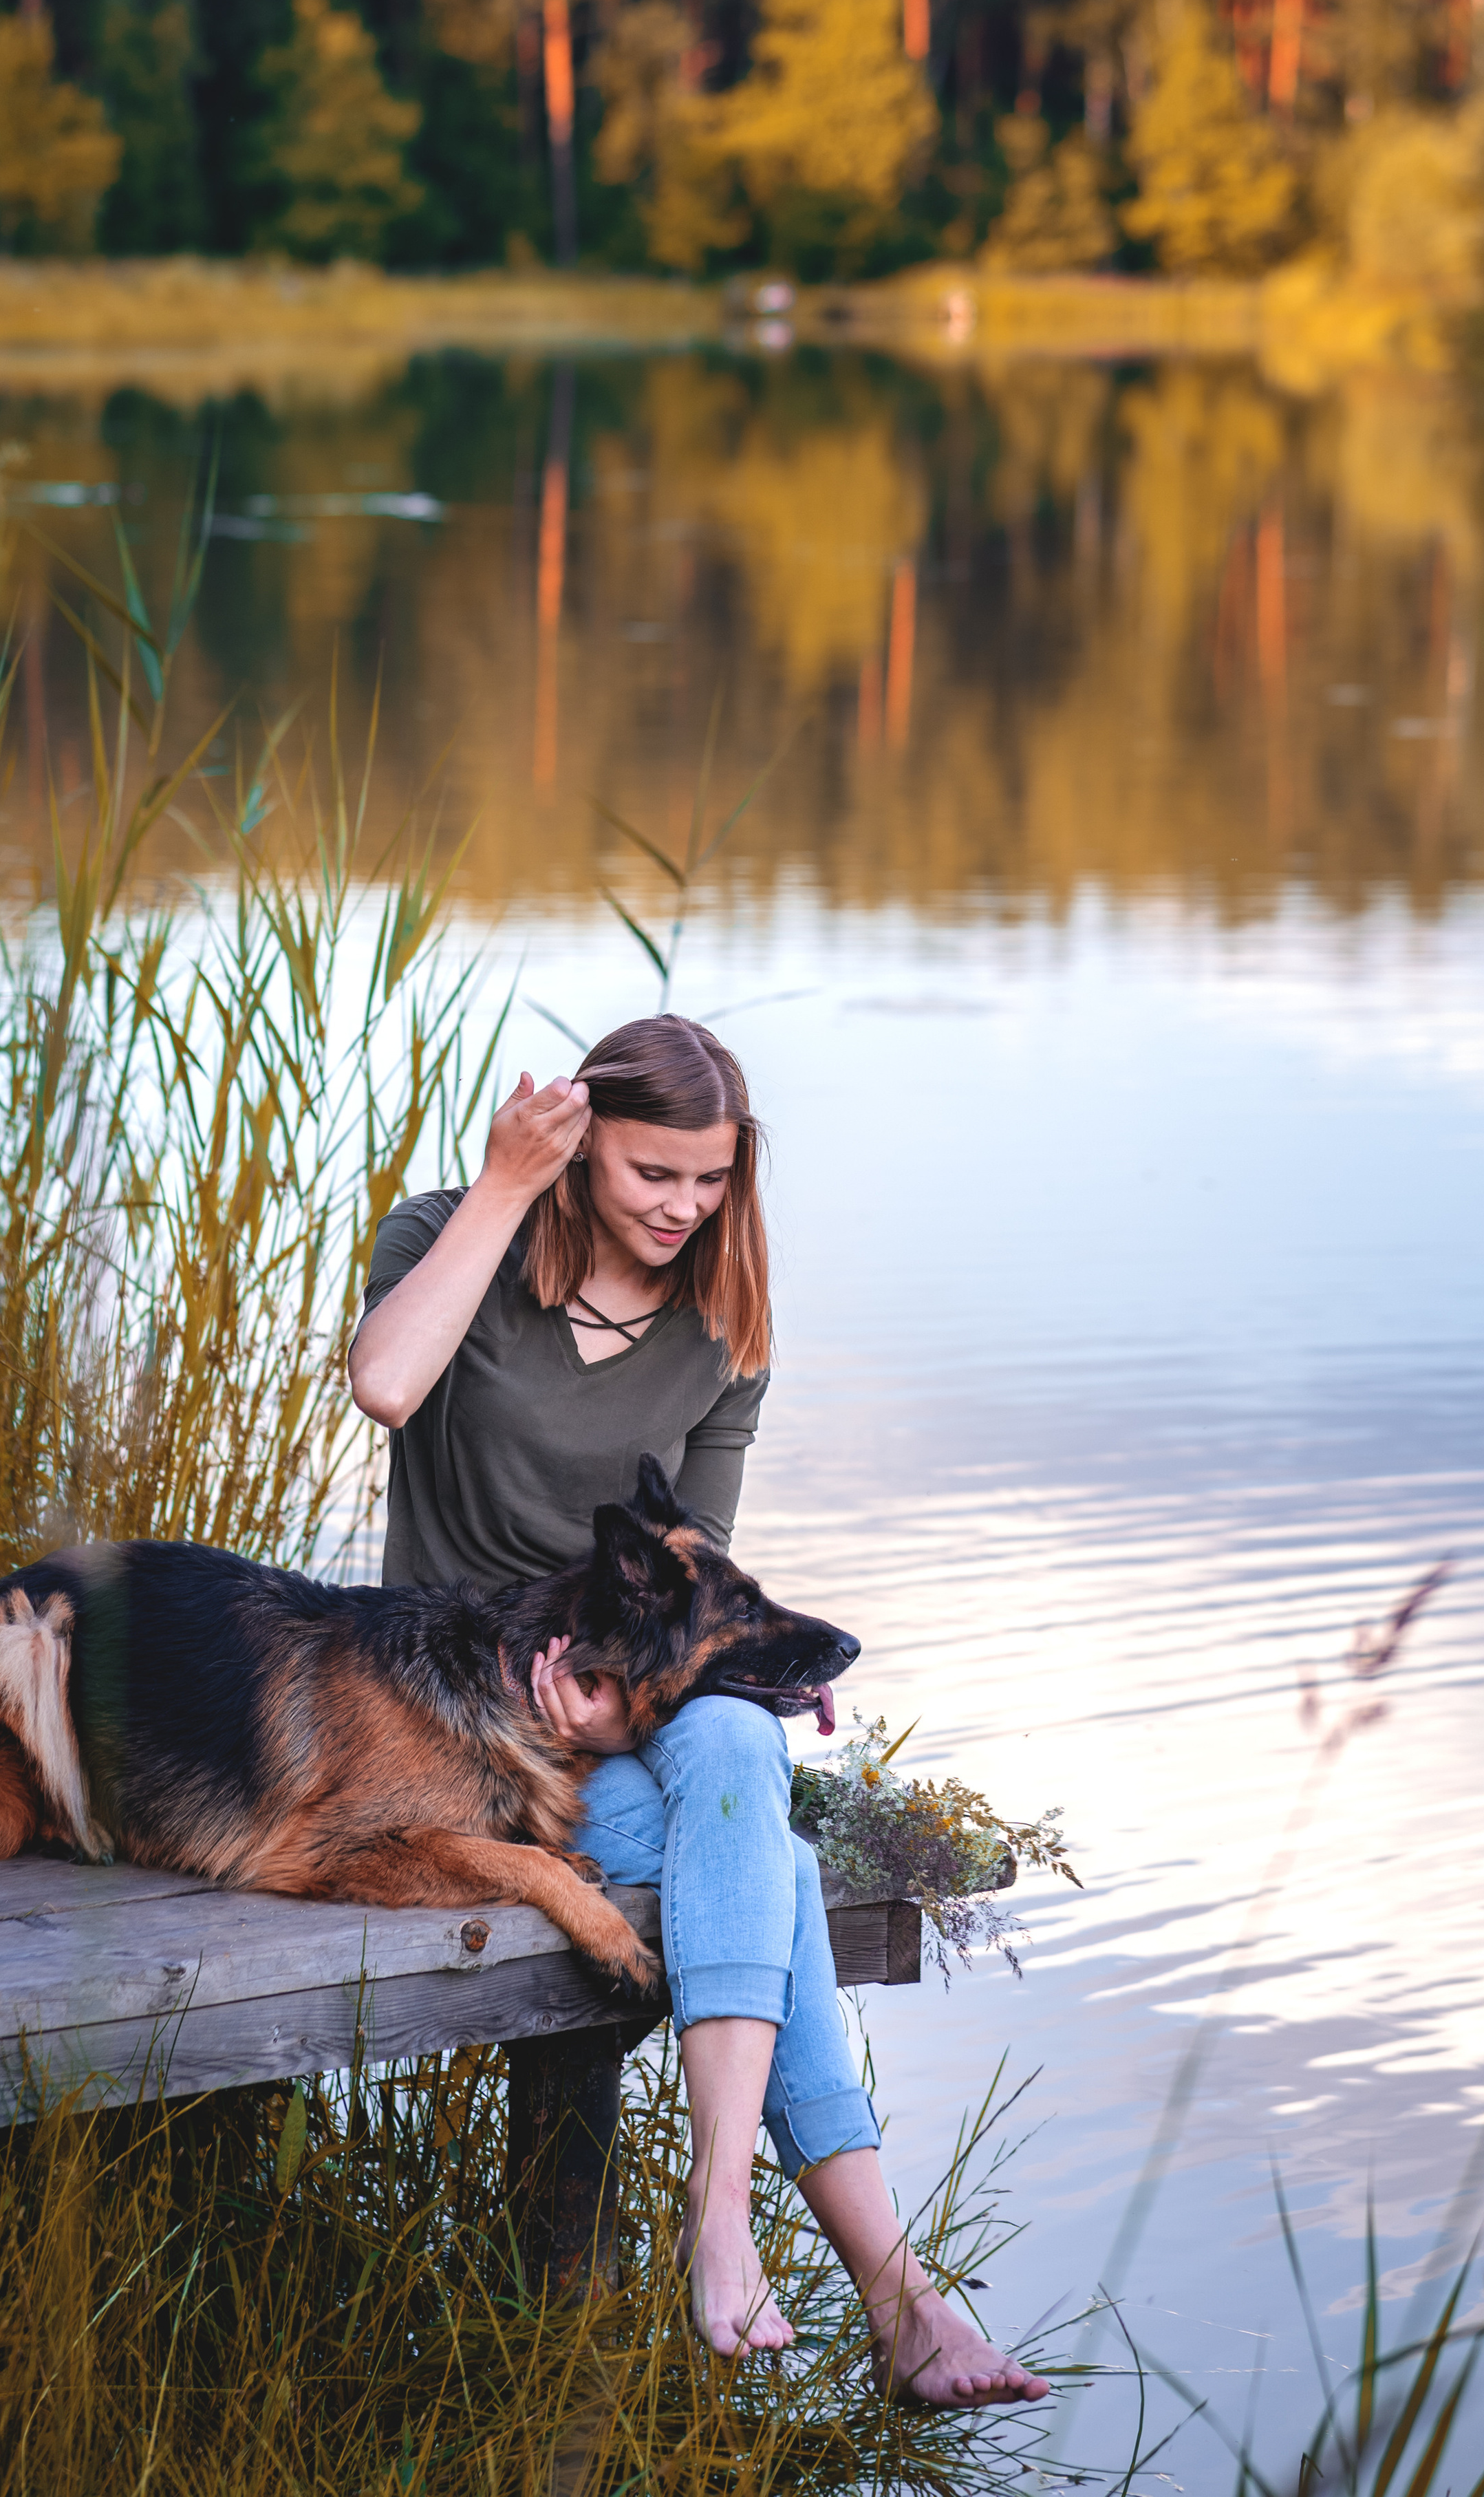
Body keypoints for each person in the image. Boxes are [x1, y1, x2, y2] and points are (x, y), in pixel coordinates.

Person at [347, 1014, 1047, 2406]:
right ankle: (894, 2294)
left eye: (708, 1180)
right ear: (581, 1145)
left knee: (731, 1730)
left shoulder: (722, 1332)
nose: (679, 1207)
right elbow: (382, 1384)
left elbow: (693, 1603)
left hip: (616, 1714)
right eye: (649, 1172)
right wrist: (498, 1189)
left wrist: (636, 1715)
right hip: (456, 1713)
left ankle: (718, 2213)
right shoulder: (452, 1233)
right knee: (770, 1872)